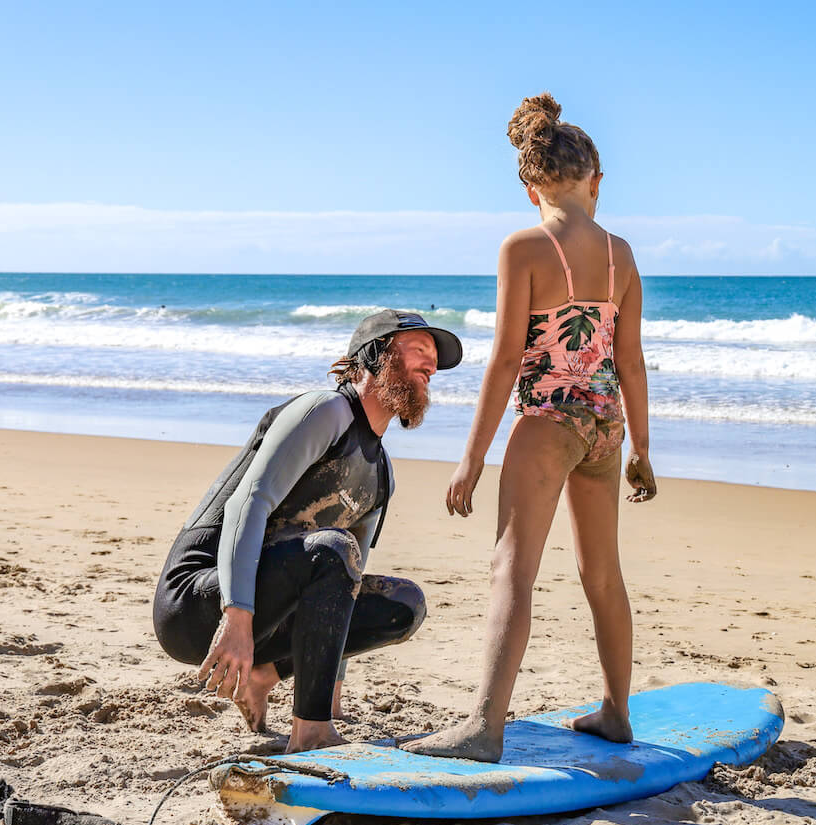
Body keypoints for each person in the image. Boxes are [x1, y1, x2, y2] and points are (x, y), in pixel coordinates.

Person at [403, 93, 657, 762]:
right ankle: (616, 711)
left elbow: (509, 358)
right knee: (602, 573)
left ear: (529, 186)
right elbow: (629, 360)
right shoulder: (622, 254)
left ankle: (485, 727)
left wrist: (472, 458)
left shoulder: (524, 247)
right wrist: (645, 452)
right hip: (607, 426)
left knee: (512, 571)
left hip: (546, 421)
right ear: (594, 181)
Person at [153, 310, 463, 752]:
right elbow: (249, 502)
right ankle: (310, 732)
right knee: (331, 549)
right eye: (419, 351)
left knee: (403, 605)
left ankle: (266, 677)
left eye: (434, 360)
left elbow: (345, 584)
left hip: (270, 615)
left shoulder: (380, 473)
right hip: (197, 600)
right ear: (375, 356)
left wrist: (327, 692)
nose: (431, 366)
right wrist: (237, 616)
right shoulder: (325, 411)